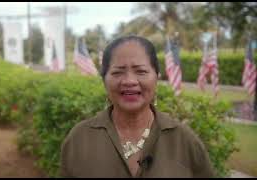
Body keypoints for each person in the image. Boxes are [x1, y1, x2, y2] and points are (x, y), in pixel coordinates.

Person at [60, 35, 215, 178]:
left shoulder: (184, 141)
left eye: (141, 71)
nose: (129, 81)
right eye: (118, 72)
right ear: (104, 80)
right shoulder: (79, 139)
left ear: (156, 77)